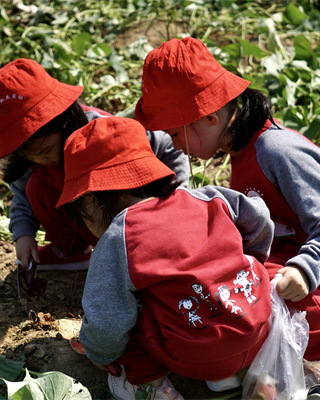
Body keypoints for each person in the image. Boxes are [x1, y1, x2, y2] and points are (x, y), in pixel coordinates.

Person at [134, 37, 320, 400]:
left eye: (173, 133)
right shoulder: (242, 155)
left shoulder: (277, 150)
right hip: (306, 256)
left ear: (209, 118)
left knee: (263, 280)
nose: (175, 146)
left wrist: (306, 268)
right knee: (240, 271)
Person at [56, 116, 276, 400]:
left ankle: (150, 386)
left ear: (90, 200)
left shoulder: (118, 237)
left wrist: (99, 354)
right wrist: (249, 257)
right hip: (257, 327)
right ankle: (230, 377)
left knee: (127, 318)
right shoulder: (206, 198)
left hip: (193, 352)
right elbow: (260, 217)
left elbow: (106, 321)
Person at [0, 58, 189, 275]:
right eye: (29, 155)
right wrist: (23, 235)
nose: (39, 160)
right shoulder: (33, 158)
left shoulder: (102, 133)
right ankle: (72, 253)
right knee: (35, 188)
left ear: (64, 121)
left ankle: (139, 251)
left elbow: (164, 143)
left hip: (139, 219)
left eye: (44, 151)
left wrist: (178, 197)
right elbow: (22, 197)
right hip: (92, 224)